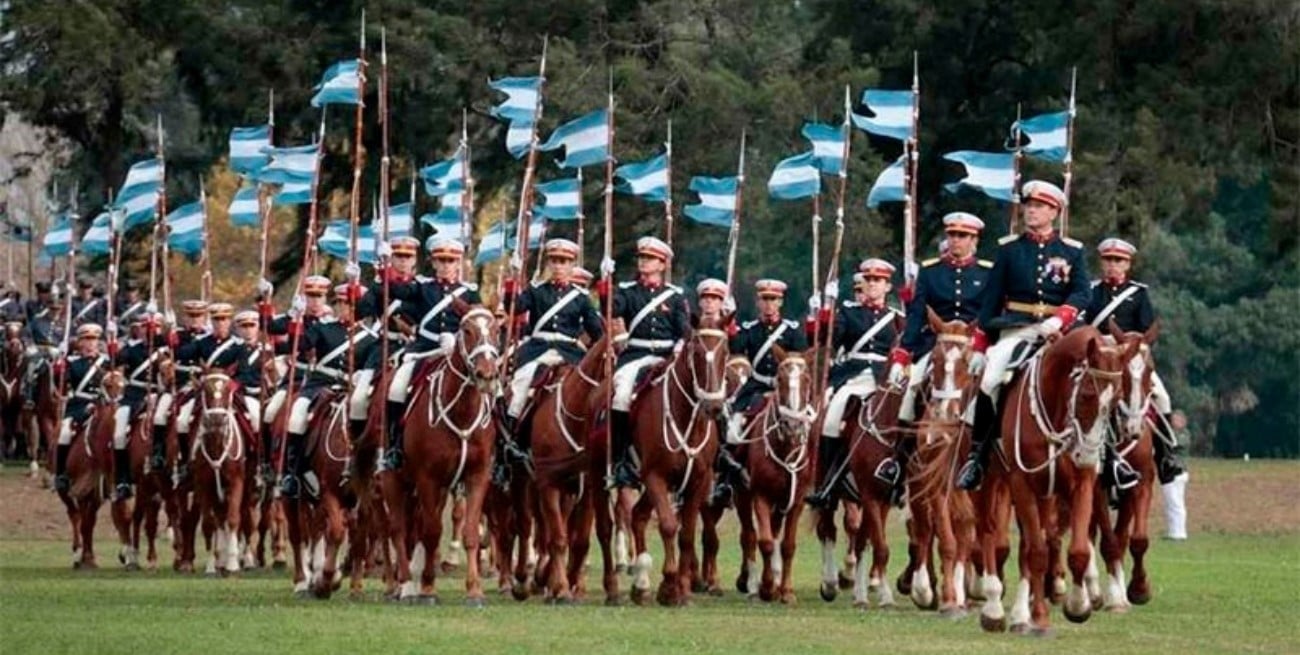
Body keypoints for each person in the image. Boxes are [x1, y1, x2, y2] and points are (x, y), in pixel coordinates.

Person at [958, 180, 1092, 490]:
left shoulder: (1071, 251)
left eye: (1039, 206)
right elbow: (990, 299)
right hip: (1017, 331)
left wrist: (1060, 319)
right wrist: (981, 346)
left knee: (1097, 379)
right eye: (1029, 205)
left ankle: (1107, 456)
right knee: (990, 381)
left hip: (1059, 333)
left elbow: (1082, 293)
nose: (1031, 210)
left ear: (1054, 212)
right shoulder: (1009, 249)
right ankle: (977, 456)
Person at [1085, 237, 1185, 487]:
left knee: (1162, 397)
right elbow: (1082, 326)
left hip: (1130, 356)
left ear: (1127, 265)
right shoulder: (1091, 291)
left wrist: (1133, 349)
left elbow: (1146, 330)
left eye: (1118, 261)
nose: (1112, 265)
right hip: (1101, 356)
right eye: (1108, 260)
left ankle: (1166, 456)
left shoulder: (1138, 293)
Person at [807, 260, 903, 508]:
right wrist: (825, 312)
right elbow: (826, 339)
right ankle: (827, 483)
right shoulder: (848, 313)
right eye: (869, 280)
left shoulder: (896, 317)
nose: (872, 285)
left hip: (886, 379)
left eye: (878, 281)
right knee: (830, 420)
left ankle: (901, 478)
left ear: (888, 286)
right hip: (853, 378)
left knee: (908, 418)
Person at [381, 237, 481, 470]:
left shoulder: (470, 293)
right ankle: (395, 444)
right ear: (433, 263)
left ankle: (497, 444)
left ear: (459, 263)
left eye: (451, 261)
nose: (446, 265)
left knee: (490, 389)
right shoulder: (422, 287)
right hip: (425, 350)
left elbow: (478, 322)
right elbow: (396, 290)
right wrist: (383, 267)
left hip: (458, 355)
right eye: (441, 261)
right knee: (397, 387)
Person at [599, 236, 690, 488]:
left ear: (662, 265)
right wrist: (606, 284)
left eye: (650, 259)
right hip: (636, 357)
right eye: (642, 258)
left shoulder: (674, 296)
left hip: (667, 357)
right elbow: (611, 310)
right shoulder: (628, 291)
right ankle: (621, 461)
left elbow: (683, 327)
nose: (644, 262)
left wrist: (681, 345)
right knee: (621, 394)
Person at [279, 284, 377, 499]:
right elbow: (300, 345)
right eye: (340, 304)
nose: (345, 308)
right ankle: (292, 473)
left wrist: (361, 375)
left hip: (352, 389)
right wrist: (295, 319)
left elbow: (373, 364)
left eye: (350, 304)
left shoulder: (370, 338)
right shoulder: (323, 328)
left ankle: (377, 466)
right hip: (319, 386)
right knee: (296, 417)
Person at [501, 238, 604, 440]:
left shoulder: (580, 297)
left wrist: (605, 346)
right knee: (522, 380)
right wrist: (512, 283)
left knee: (592, 383)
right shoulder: (536, 290)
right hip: (538, 349)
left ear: (572, 265)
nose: (558, 266)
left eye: (564, 262)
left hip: (570, 351)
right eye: (555, 261)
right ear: (548, 263)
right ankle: (511, 430)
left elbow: (595, 329)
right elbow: (515, 307)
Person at [347, 235, 421, 440]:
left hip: (415, 348)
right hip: (385, 347)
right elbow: (360, 312)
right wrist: (354, 286)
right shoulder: (379, 286)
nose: (403, 261)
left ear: (414, 260)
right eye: (398, 256)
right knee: (359, 399)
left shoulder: (422, 287)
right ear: (391, 258)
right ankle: (356, 445)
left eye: (408, 256)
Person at [52, 323, 108, 493]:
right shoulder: (72, 362)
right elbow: (61, 389)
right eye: (86, 340)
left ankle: (121, 475)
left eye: (94, 339)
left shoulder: (107, 361)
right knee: (65, 433)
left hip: (103, 405)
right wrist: (57, 370)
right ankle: (61, 474)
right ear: (79, 342)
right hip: (79, 405)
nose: (91, 343)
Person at [1161, 410, 1190, 540]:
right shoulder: (1172, 433)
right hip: (1171, 472)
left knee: (1176, 503)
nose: (1174, 422)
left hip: (1178, 471)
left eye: (1177, 419)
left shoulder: (1184, 434)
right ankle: (1173, 531)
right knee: (1171, 503)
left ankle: (1179, 533)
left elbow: (1175, 443)